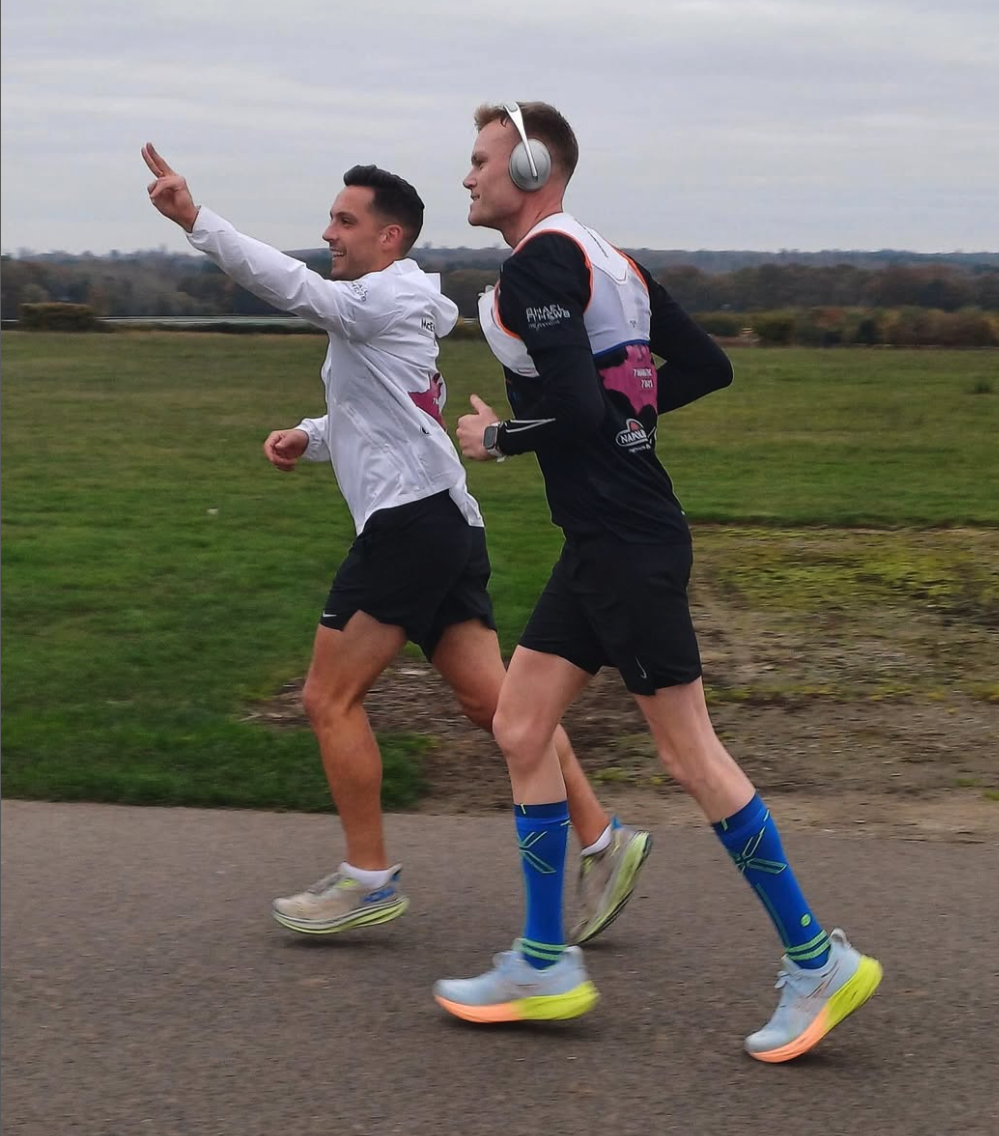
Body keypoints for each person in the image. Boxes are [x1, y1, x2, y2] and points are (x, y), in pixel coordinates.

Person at [432, 103, 882, 1061]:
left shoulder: (539, 265)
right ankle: (545, 958)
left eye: (478, 161)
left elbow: (586, 416)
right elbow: (702, 368)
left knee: (690, 756)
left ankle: (816, 959)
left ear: (531, 163)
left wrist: (501, 437)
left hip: (625, 546)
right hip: (601, 543)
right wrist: (630, 412)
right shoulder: (616, 264)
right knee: (520, 724)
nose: (465, 178)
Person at [140, 142, 651, 944]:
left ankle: (368, 877)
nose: (329, 232)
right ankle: (602, 840)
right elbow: (392, 411)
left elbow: (293, 287)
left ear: (390, 238)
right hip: (441, 522)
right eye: (332, 218)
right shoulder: (394, 308)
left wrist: (196, 221)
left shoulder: (381, 296)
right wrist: (308, 438)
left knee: (326, 696)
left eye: (345, 220)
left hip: (409, 526)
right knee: (499, 705)